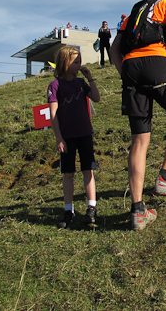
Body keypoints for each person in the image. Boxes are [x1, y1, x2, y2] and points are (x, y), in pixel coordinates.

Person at [110, 0, 166, 231]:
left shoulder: (133, 13)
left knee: (139, 139)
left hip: (131, 68)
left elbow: (114, 49)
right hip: (159, 63)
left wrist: (125, 73)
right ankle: (165, 177)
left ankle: (138, 210)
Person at [47, 46, 101, 229]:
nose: (79, 65)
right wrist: (59, 138)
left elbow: (96, 98)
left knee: (88, 170)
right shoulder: (55, 86)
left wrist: (90, 78)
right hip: (67, 136)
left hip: (85, 133)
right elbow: (53, 114)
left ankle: (91, 208)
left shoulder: (81, 83)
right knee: (68, 173)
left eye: (80, 62)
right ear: (65, 63)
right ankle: (68, 210)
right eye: (76, 62)